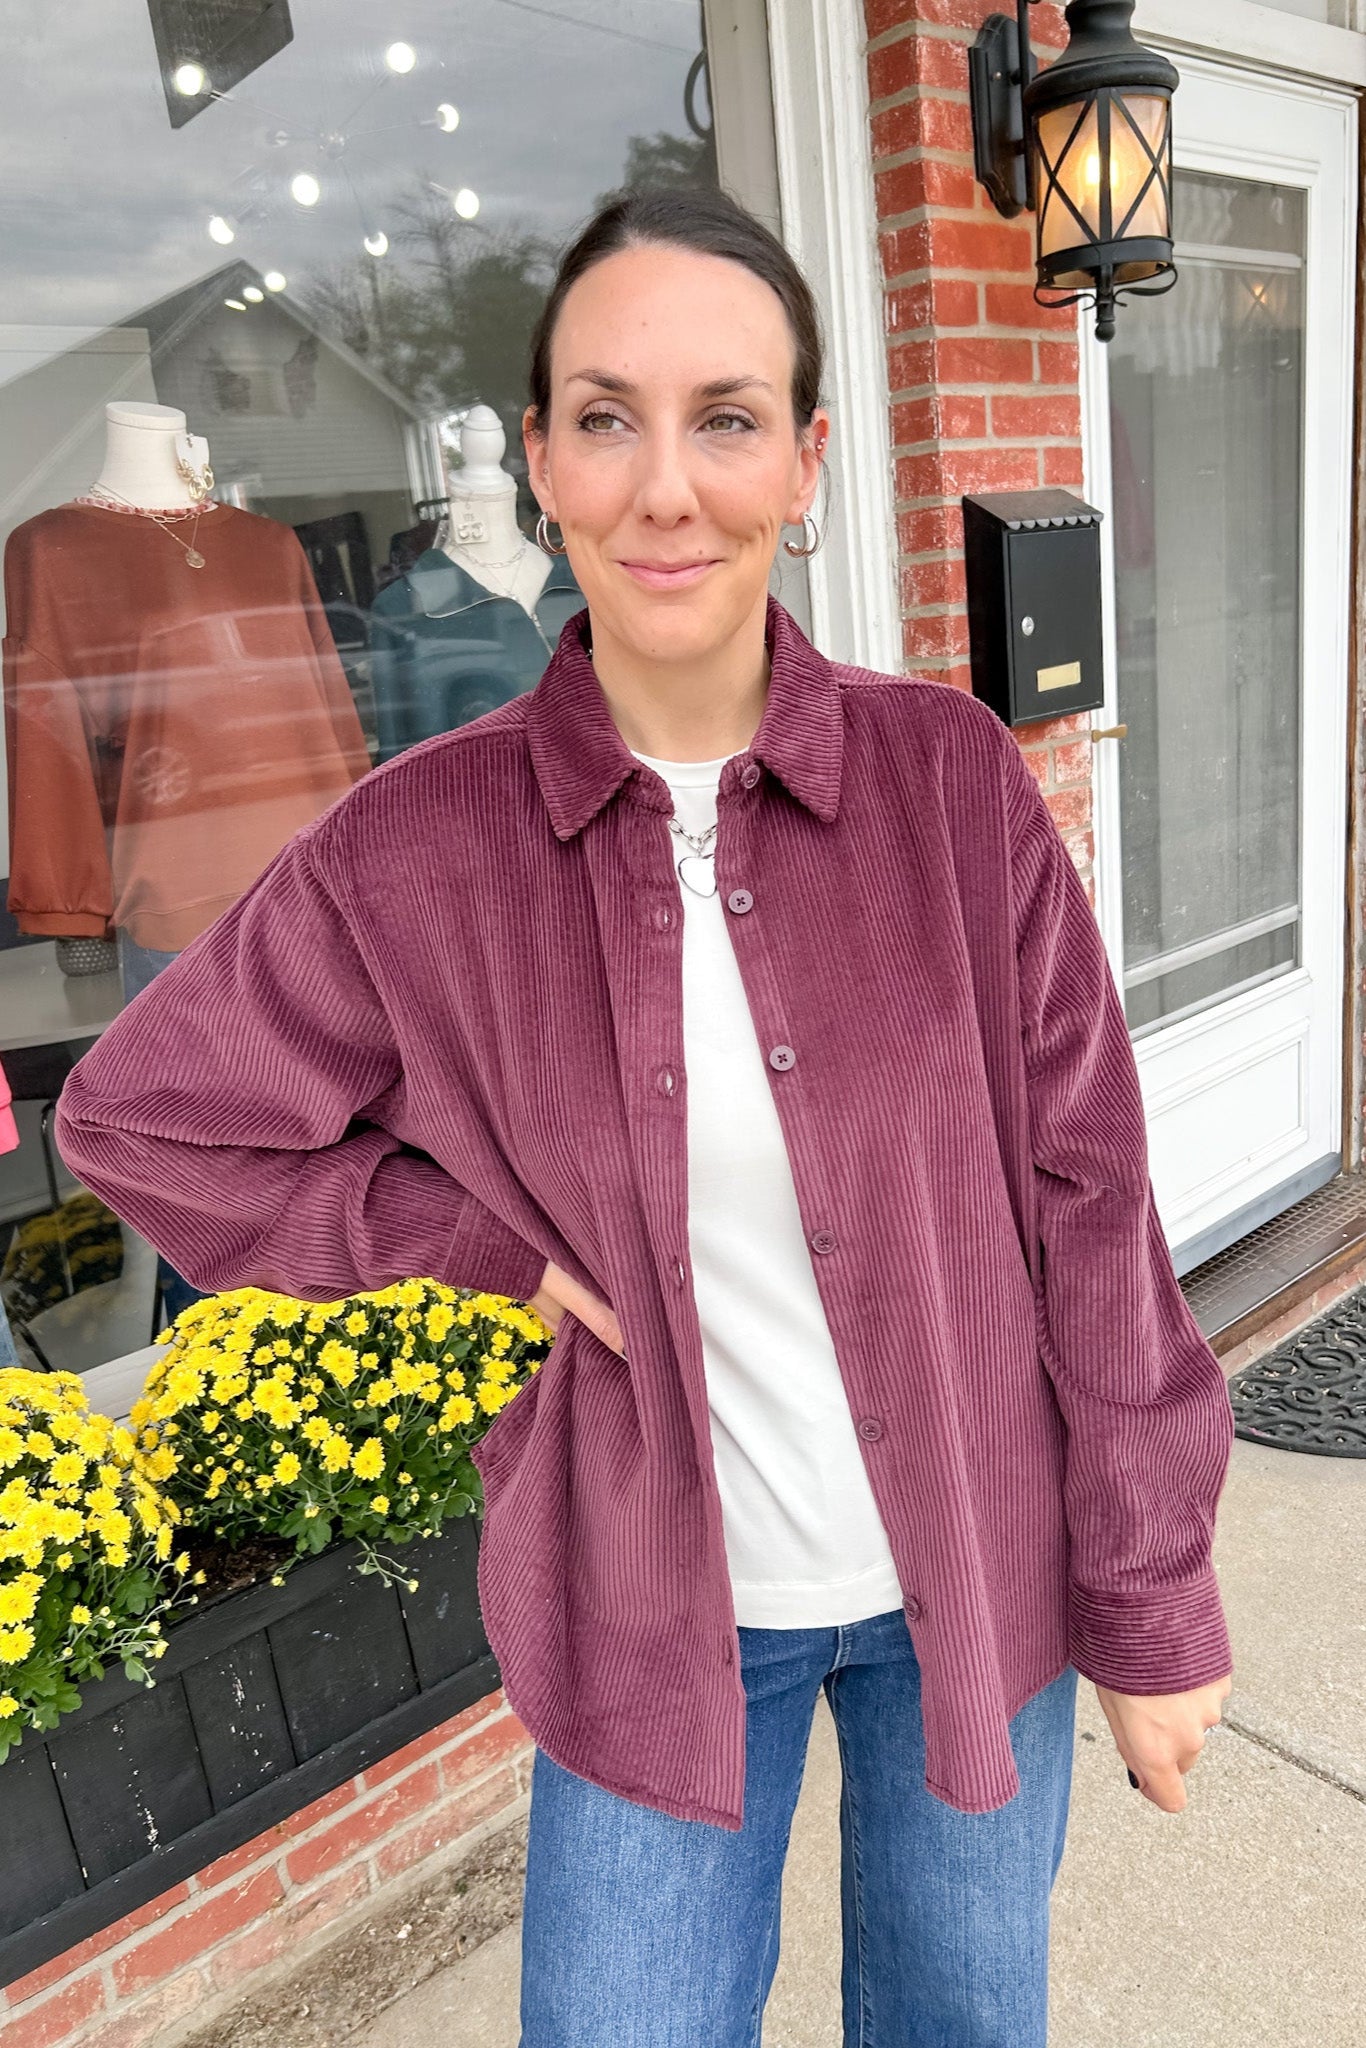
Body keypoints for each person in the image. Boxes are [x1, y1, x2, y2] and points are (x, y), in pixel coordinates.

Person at [53, 185, 1235, 2048]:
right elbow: (145, 1120)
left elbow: (1088, 1200)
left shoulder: (950, 790)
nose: (663, 486)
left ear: (804, 462)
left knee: (961, 2025)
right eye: (604, 418)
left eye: (725, 417)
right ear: (538, 463)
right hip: (648, 1609)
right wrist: (467, 1247)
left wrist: (1151, 1601)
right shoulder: (413, 853)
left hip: (979, 1574)